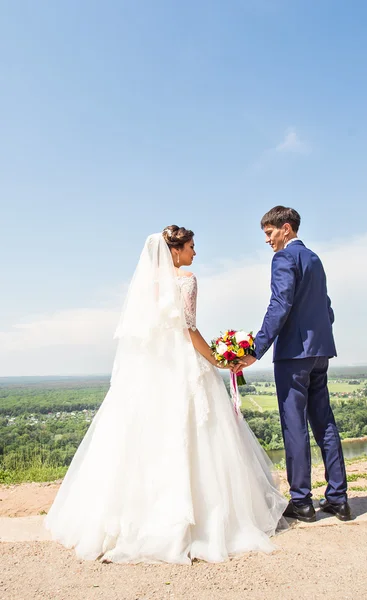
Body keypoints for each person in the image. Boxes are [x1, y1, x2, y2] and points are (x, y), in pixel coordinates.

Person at [45, 225, 287, 564]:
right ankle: (200, 522)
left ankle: (131, 521)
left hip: (153, 370)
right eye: (191, 246)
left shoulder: (148, 286)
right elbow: (189, 329)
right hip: (184, 367)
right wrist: (218, 359)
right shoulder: (187, 279)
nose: (194, 253)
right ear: (176, 251)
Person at [238, 207, 351, 523]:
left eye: (269, 233)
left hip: (293, 356)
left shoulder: (284, 259)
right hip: (320, 353)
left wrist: (256, 348)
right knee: (324, 423)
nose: (267, 240)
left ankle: (301, 501)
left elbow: (280, 304)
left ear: (285, 228)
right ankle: (338, 499)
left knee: (295, 426)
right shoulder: (314, 259)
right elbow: (325, 308)